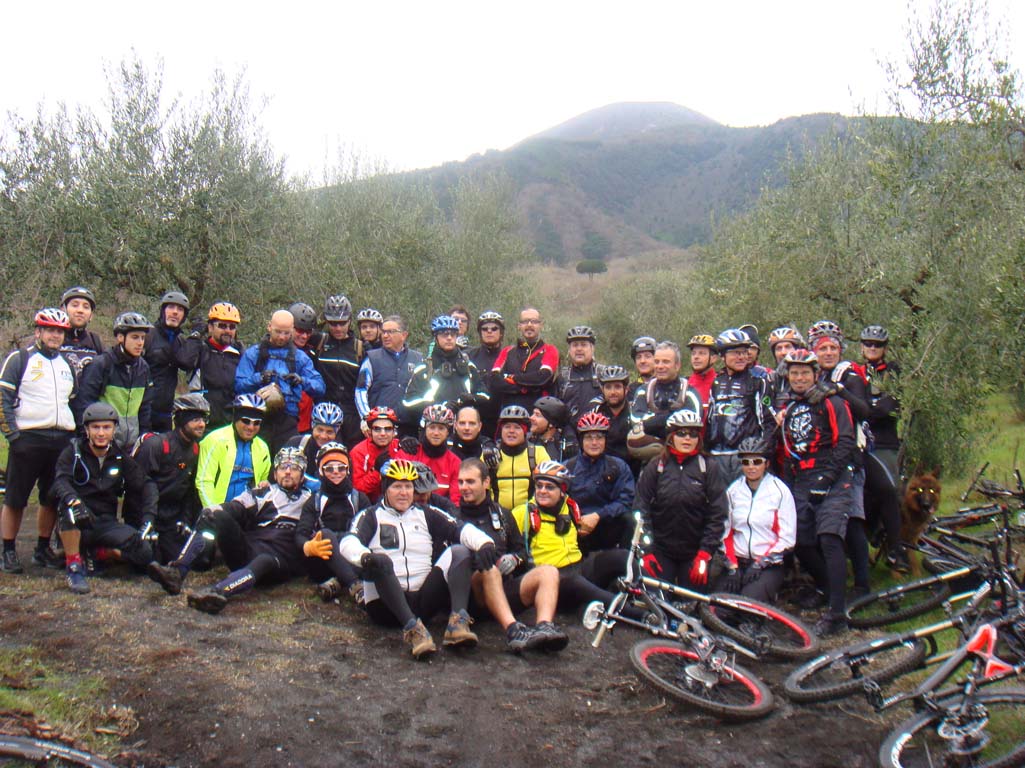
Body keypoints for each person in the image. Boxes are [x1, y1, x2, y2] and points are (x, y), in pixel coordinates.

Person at [339, 459, 499, 659]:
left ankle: (457, 623)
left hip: (423, 600)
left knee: (459, 551)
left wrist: (485, 543)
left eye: (408, 487)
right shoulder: (370, 515)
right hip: (385, 605)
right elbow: (347, 542)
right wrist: (364, 558)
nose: (404, 493)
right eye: (397, 486)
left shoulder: (426, 513)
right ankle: (412, 630)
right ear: (385, 488)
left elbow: (461, 528)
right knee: (380, 560)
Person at [148, 447, 314, 614]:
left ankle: (217, 593)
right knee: (213, 514)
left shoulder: (312, 500)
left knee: (264, 559)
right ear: (275, 472)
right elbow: (236, 507)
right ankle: (177, 571)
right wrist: (215, 510)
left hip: (279, 561)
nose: (287, 472)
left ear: (302, 474)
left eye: (294, 468)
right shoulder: (264, 493)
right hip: (248, 549)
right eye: (282, 467)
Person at [780, 348, 857, 636]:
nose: (799, 377)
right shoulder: (791, 408)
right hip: (801, 478)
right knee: (799, 540)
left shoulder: (832, 402)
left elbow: (846, 441)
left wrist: (827, 479)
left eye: (804, 373)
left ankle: (837, 614)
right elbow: (789, 451)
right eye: (794, 373)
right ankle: (828, 589)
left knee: (829, 538)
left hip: (833, 475)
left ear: (815, 375)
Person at [456, 458, 567, 652]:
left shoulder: (503, 514)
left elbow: (522, 551)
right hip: (475, 596)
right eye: (461, 482)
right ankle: (513, 631)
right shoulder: (454, 517)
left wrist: (515, 559)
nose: (464, 487)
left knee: (548, 571)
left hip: (505, 589)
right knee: (489, 570)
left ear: (486, 482)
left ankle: (544, 627)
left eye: (470, 482)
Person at [52, 403, 158, 595]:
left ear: (114, 429)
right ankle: (74, 566)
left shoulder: (118, 456)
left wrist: (149, 518)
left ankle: (98, 554)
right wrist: (75, 502)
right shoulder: (73, 453)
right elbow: (60, 482)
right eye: (96, 427)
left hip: (105, 522)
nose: (101, 433)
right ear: (86, 429)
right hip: (78, 519)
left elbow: (145, 483)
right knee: (68, 507)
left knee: (145, 552)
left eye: (106, 427)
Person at [0, 309, 77, 573]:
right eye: (50, 330)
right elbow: (2, 400)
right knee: (15, 498)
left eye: (60, 331)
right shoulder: (20, 359)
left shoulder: (67, 365)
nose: (55, 335)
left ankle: (42, 548)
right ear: (38, 332)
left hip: (61, 440)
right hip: (28, 438)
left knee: (51, 497)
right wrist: (13, 436)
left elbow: (73, 401)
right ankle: (8, 550)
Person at [806, 320, 878, 589]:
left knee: (853, 521)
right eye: (822, 348)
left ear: (840, 350)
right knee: (824, 526)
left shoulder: (849, 374)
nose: (827, 352)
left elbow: (864, 411)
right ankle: (832, 582)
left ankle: (862, 584)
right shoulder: (814, 375)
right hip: (823, 461)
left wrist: (841, 391)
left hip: (850, 459)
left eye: (832, 348)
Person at [510, 462, 633, 613]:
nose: (542, 491)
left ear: (562, 491)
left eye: (549, 487)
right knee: (577, 583)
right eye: (539, 486)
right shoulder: (523, 513)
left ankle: (659, 599)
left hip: (577, 568)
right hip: (551, 581)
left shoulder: (570, 507)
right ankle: (639, 614)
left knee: (623, 557)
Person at [635, 409, 728, 592]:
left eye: (693, 434)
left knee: (691, 607)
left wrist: (705, 553)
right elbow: (640, 508)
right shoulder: (656, 466)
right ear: (671, 436)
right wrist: (646, 550)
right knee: (658, 605)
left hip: (694, 552)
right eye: (681, 433)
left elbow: (718, 513)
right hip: (661, 550)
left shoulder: (708, 467)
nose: (687, 439)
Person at [130, 393, 210, 564]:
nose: (201, 424)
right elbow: (135, 489)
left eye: (204, 420)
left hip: (171, 520)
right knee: (144, 560)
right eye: (195, 419)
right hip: (146, 516)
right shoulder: (156, 445)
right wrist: (145, 523)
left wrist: (185, 520)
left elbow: (189, 490)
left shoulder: (195, 449)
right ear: (181, 420)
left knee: (200, 560)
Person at [716, 437, 796, 603]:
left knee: (748, 606)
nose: (751, 467)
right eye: (746, 462)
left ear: (766, 464)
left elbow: (787, 538)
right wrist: (732, 566)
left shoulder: (779, 491)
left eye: (757, 461)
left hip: (768, 565)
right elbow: (724, 531)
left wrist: (760, 563)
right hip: (738, 562)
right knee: (718, 609)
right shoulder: (734, 491)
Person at [235, 309, 325, 452]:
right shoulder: (254, 354)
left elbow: (320, 387)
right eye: (278, 332)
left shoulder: (300, 358)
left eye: (286, 333)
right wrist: (258, 378)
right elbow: (239, 385)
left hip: (287, 420)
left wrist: (301, 380)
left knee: (287, 463)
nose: (282, 337)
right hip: (258, 419)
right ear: (269, 326)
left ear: (292, 331)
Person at [295, 442, 369, 605]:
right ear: (321, 471)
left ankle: (337, 582)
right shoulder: (314, 501)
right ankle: (355, 585)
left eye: (341, 468)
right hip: (323, 559)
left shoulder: (360, 499)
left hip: (352, 555)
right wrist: (307, 546)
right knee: (326, 534)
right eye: (329, 468)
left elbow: (369, 531)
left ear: (348, 470)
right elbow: (301, 534)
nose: (336, 472)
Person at [859, 324, 907, 571]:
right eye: (868, 344)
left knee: (889, 491)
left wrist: (866, 408)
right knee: (862, 495)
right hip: (860, 442)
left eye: (877, 345)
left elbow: (887, 408)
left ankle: (897, 550)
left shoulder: (893, 371)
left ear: (885, 348)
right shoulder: (855, 372)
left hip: (885, 440)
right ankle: (873, 534)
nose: (872, 348)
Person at [705, 329, 776, 484]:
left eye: (744, 352)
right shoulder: (716, 383)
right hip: (717, 456)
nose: (742, 357)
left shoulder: (758, 383)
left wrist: (762, 454)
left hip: (744, 457)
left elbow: (769, 422)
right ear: (723, 356)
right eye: (736, 353)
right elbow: (710, 420)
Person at [74, 312, 155, 447]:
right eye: (135, 337)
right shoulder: (101, 364)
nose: (140, 343)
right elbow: (84, 403)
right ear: (120, 337)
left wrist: (144, 437)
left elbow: (145, 407)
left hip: (132, 444)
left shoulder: (143, 367)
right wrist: (86, 438)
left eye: (142, 338)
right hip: (103, 444)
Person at [400, 315, 486, 435]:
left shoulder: (468, 366)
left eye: (453, 334)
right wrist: (439, 406)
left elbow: (485, 396)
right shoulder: (425, 368)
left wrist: (472, 399)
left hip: (463, 432)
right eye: (444, 334)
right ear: (436, 337)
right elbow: (408, 402)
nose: (449, 338)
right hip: (434, 432)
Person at [565, 412, 635, 553]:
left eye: (599, 437)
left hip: (606, 527)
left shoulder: (618, 466)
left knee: (629, 520)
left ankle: (626, 565)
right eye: (589, 438)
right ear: (581, 441)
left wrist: (598, 516)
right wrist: (579, 521)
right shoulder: (567, 468)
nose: (594, 443)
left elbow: (625, 500)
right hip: (577, 528)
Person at [628, 340, 702, 461]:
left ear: (677, 365)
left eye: (666, 362)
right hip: (650, 462)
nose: (660, 366)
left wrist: (654, 421)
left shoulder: (689, 392)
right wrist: (672, 416)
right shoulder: (643, 391)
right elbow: (637, 422)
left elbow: (692, 425)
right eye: (657, 362)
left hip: (686, 461)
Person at [195, 394, 272, 509]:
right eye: (246, 421)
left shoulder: (262, 447)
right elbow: (203, 481)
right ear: (235, 419)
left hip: (246, 512)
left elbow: (263, 482)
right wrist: (213, 510)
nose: (251, 427)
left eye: (257, 423)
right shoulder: (215, 440)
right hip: (217, 509)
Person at [183, 302, 244, 429]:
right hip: (203, 423)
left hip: (229, 423)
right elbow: (184, 361)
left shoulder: (239, 354)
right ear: (210, 327)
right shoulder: (200, 350)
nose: (227, 330)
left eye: (232, 327)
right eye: (222, 326)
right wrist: (195, 335)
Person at [314, 295, 364, 447]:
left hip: (352, 415)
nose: (338, 328)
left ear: (350, 321)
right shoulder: (319, 343)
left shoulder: (360, 348)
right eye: (333, 323)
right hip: (324, 413)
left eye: (342, 323)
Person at [355, 315, 423, 422]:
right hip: (381, 426)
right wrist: (365, 417)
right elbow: (360, 390)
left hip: (410, 425)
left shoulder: (418, 359)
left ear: (404, 335)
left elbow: (424, 393)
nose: (385, 336)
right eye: (383, 332)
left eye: (391, 332)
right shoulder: (372, 358)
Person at [489, 307, 559, 412]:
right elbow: (494, 380)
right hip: (509, 414)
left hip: (537, 416)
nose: (529, 325)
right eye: (525, 321)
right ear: (519, 326)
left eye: (534, 321)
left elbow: (542, 378)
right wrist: (528, 388)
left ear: (541, 325)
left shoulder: (550, 350)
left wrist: (512, 378)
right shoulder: (507, 351)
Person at [144, 290, 193, 431]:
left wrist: (195, 337)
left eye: (180, 309)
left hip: (165, 413)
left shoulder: (180, 341)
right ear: (163, 311)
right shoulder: (148, 335)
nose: (175, 312)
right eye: (170, 307)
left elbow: (187, 363)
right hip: (144, 410)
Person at [394, 404, 463, 504]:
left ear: (448, 432)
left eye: (441, 428)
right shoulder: (408, 453)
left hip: (440, 514)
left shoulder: (455, 463)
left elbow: (456, 501)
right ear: (425, 428)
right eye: (432, 427)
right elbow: (394, 490)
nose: (436, 433)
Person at [493, 405, 550, 511]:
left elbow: (550, 486)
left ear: (525, 431)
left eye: (517, 427)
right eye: (507, 426)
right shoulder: (491, 454)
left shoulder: (538, 453)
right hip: (498, 517)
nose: (511, 431)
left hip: (530, 515)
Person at [284, 402, 344, 489]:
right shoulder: (296, 443)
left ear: (337, 432)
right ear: (312, 426)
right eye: (320, 430)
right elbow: (279, 473)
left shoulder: (341, 454)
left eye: (329, 432)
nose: (323, 436)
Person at [350, 406, 401, 503]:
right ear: (370, 431)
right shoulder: (358, 452)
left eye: (388, 429)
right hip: (369, 505)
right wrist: (377, 472)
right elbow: (357, 490)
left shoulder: (399, 446)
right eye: (377, 429)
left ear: (394, 431)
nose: (382, 433)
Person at [469, 311, 505, 436]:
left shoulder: (510, 356)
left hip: (502, 419)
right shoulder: (469, 356)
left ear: (501, 333)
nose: (489, 331)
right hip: (475, 419)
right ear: (480, 332)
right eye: (485, 329)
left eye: (494, 328)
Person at [558, 326, 603, 423]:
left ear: (592, 348)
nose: (579, 349)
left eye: (583, 345)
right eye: (575, 345)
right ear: (569, 349)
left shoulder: (602, 374)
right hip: (569, 433)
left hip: (596, 432)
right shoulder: (562, 376)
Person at [59, 286, 104, 376]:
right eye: (75, 305)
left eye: (86, 307)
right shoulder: (52, 337)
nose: (80, 310)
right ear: (63, 309)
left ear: (91, 315)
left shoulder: (95, 341)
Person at [593, 365, 632, 464]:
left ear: (626, 389)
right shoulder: (595, 414)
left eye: (617, 387)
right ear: (602, 390)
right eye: (608, 387)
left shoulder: (635, 413)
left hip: (631, 469)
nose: (613, 392)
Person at [529, 395, 577, 461]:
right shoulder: (528, 440)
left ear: (551, 424)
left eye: (537, 415)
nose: (531, 418)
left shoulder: (564, 447)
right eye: (533, 413)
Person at [686, 334, 718, 410]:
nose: (696, 357)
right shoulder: (684, 384)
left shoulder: (720, 383)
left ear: (713, 358)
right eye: (693, 353)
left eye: (701, 353)